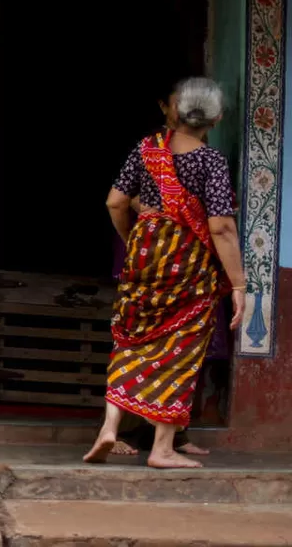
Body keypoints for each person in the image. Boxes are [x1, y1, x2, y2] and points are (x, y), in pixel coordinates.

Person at [85, 77, 246, 469]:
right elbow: (221, 227)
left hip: (143, 257)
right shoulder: (210, 161)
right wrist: (239, 284)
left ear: (175, 113)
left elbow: (115, 201)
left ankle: (109, 426)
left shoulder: (146, 149)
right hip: (188, 265)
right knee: (180, 350)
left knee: (130, 338)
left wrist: (137, 240)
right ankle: (161, 448)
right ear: (217, 118)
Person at [108, 86, 213, 458]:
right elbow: (122, 201)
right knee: (164, 342)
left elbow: (115, 200)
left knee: (159, 340)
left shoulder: (166, 152)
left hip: (152, 252)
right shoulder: (156, 149)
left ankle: (167, 436)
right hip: (168, 257)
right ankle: (143, 437)